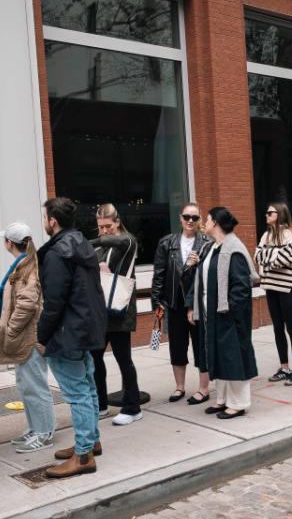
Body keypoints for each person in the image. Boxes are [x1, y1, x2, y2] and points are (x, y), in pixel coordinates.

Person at [37, 197, 107, 477]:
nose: (44, 221)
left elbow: (54, 302)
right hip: (84, 329)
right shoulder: (81, 244)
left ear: (52, 221)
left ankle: (83, 456)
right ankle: (90, 442)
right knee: (87, 387)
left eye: (44, 217)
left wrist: (41, 336)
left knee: (78, 393)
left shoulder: (58, 253)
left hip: (67, 333)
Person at [190, 207, 258, 418]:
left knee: (233, 358)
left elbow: (241, 287)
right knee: (220, 358)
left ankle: (238, 404)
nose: (204, 222)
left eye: (207, 219)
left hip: (229, 316)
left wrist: (230, 312)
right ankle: (222, 400)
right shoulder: (213, 248)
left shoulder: (233, 248)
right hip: (213, 314)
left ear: (216, 223)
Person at [0, 223, 55, 453]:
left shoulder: (26, 265)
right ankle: (35, 428)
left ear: (9, 243)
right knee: (26, 386)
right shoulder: (25, 262)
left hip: (28, 338)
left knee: (35, 386)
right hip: (24, 338)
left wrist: (11, 330)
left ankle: (44, 433)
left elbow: (27, 303)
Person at [152, 203, 212, 404]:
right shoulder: (167, 243)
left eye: (194, 218)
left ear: (200, 220)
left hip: (197, 303)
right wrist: (157, 301)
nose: (190, 221)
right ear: (180, 218)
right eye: (187, 217)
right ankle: (180, 387)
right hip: (174, 302)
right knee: (177, 346)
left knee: (201, 344)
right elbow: (159, 274)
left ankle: (204, 388)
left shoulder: (207, 243)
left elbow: (210, 274)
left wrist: (199, 264)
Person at [90, 204, 142, 427]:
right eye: (100, 227)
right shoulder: (102, 244)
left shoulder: (127, 240)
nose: (104, 231)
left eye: (108, 226)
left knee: (123, 359)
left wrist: (90, 244)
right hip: (101, 310)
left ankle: (132, 407)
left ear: (117, 222)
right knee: (94, 358)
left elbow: (119, 242)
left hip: (120, 309)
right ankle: (100, 404)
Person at [255, 203, 292, 383]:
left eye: (270, 213)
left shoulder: (289, 233)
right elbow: (257, 256)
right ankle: (284, 367)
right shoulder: (266, 235)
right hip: (271, 286)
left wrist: (269, 259)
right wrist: (273, 256)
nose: (266, 215)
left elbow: (287, 258)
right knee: (277, 327)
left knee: (291, 327)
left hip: (287, 287)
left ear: (280, 215)